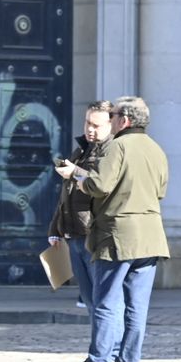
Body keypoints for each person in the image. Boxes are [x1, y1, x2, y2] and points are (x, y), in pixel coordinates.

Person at [55, 96, 170, 362]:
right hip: (151, 235)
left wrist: (77, 178)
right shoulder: (156, 149)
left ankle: (99, 361)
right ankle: (128, 361)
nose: (113, 119)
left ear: (125, 120)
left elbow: (99, 184)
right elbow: (161, 191)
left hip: (118, 234)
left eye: (115, 115)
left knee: (106, 300)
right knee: (137, 305)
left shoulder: (118, 146)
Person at [48, 101, 115, 313]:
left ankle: (107, 346)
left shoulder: (112, 151)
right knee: (89, 300)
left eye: (96, 125)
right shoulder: (81, 150)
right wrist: (55, 229)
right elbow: (66, 193)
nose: (90, 129)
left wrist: (76, 171)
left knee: (103, 301)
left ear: (110, 125)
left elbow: (102, 184)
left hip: (94, 235)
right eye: (88, 123)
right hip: (74, 233)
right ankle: (101, 343)